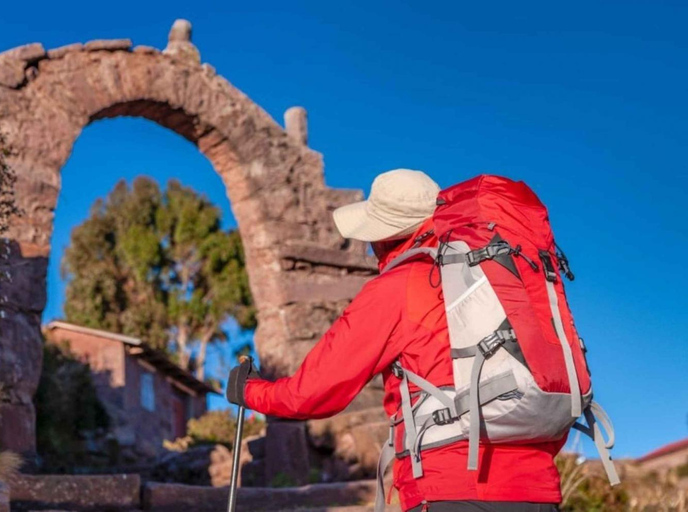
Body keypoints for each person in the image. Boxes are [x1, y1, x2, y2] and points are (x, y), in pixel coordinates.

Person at [227, 169, 563, 512]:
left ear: (387, 236)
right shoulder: (506, 279)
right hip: (540, 491)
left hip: (451, 489)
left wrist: (249, 391)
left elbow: (312, 393)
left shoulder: (400, 287)